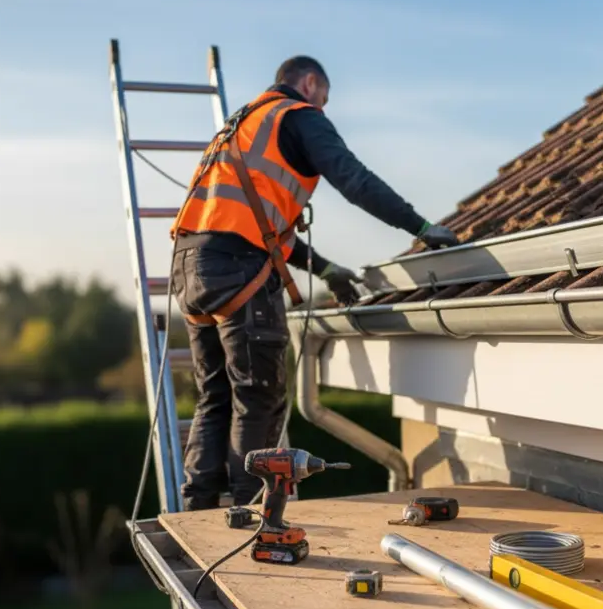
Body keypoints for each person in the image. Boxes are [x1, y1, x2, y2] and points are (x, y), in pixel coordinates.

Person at [168, 54, 458, 511]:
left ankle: (196, 514)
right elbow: (355, 179)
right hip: (237, 269)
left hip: (190, 268)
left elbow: (253, 226)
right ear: (309, 83)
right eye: (325, 95)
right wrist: (419, 226)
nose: (326, 105)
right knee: (258, 397)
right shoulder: (300, 117)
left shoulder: (241, 124)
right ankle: (251, 515)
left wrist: (323, 269)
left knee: (216, 397)